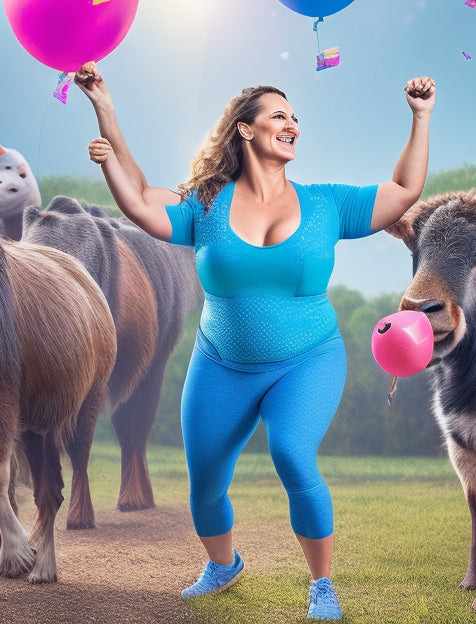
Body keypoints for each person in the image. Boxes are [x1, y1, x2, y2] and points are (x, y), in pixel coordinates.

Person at [75, 63, 435, 620]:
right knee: (206, 484)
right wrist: (106, 113)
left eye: (295, 118)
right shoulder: (205, 205)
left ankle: (321, 586)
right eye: (279, 115)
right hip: (221, 364)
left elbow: (405, 189)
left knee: (292, 453)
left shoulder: (325, 204)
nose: (292, 124)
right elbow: (141, 201)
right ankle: (223, 565)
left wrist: (420, 117)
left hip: (308, 360)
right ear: (245, 129)